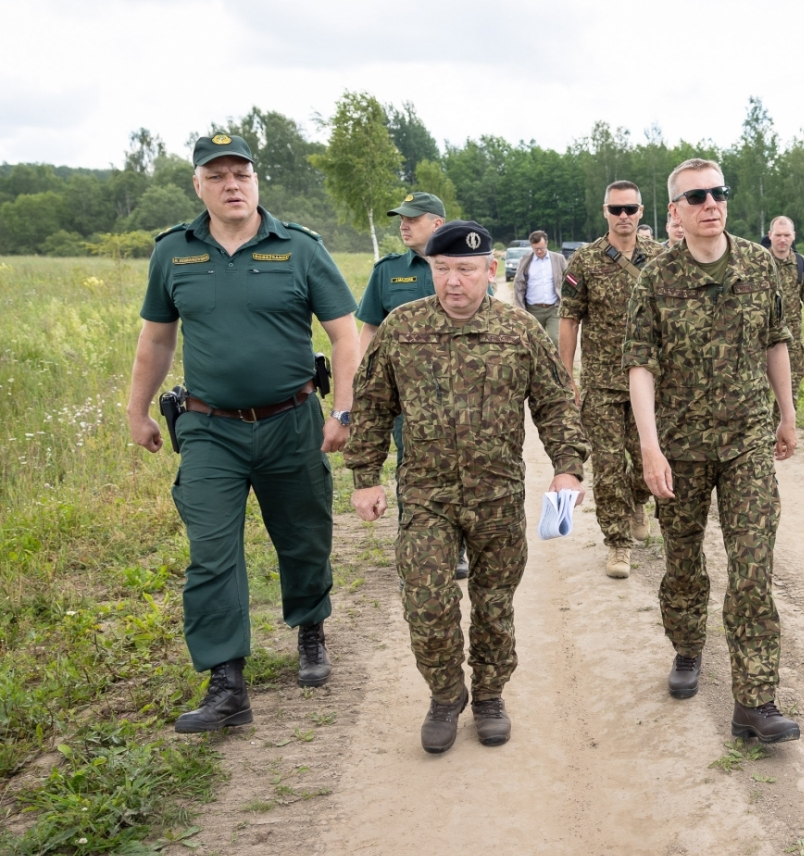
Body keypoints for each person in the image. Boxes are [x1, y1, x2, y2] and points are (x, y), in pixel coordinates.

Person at [126, 134, 358, 732]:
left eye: (242, 174)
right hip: (209, 428)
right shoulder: (174, 253)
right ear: (198, 185)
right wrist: (138, 409)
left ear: (257, 181)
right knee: (211, 553)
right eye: (218, 174)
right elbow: (156, 338)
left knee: (304, 535)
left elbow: (344, 335)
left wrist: (345, 412)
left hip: (293, 421)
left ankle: (310, 630)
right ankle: (226, 679)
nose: (232, 184)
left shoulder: (300, 249)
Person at [347, 221, 588, 753]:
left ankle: (488, 696)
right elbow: (371, 405)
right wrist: (365, 477)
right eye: (442, 269)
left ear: (488, 271)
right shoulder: (401, 328)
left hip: (497, 496)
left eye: (464, 270)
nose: (452, 282)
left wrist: (568, 465)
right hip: (427, 495)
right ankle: (445, 694)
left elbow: (553, 402)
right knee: (427, 602)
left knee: (493, 604)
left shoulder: (518, 331)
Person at [624, 158, 801, 743]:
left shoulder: (758, 264)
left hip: (747, 441)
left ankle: (755, 700)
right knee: (683, 562)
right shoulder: (654, 278)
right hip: (681, 446)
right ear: (674, 211)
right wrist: (650, 449)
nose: (710, 204)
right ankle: (687, 646)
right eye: (696, 196)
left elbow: (776, 341)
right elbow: (640, 366)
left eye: (718, 192)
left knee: (752, 568)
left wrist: (787, 415)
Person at [353, 193, 471, 580]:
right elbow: (370, 328)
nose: (403, 225)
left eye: (412, 219)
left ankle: (458, 546)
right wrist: (365, 382)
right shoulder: (387, 271)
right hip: (408, 398)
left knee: (464, 467)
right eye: (400, 219)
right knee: (412, 468)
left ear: (436, 224)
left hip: (461, 395)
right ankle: (417, 551)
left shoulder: (463, 266)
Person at [559, 181, 665, 578]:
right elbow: (569, 321)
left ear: (641, 212)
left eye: (631, 209)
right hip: (602, 381)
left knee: (642, 458)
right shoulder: (584, 262)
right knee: (607, 465)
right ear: (605, 211)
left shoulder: (660, 258)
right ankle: (617, 544)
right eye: (616, 209)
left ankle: (639, 500)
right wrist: (566, 374)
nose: (624, 216)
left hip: (650, 380)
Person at [765, 216, 804, 404]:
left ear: (794, 236)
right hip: (760, 339)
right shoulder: (758, 262)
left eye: (787, 235)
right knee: (760, 391)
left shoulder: (801, 264)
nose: (783, 239)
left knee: (791, 389)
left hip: (791, 340)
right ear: (770, 235)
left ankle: (785, 430)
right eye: (778, 235)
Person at [512, 229, 566, 346]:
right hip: (533, 310)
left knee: (555, 339)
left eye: (541, 248)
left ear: (546, 243)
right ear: (531, 246)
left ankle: (555, 364)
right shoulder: (525, 261)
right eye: (536, 249)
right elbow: (518, 285)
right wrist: (520, 308)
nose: (539, 251)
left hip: (554, 308)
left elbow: (569, 280)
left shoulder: (559, 259)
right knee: (533, 342)